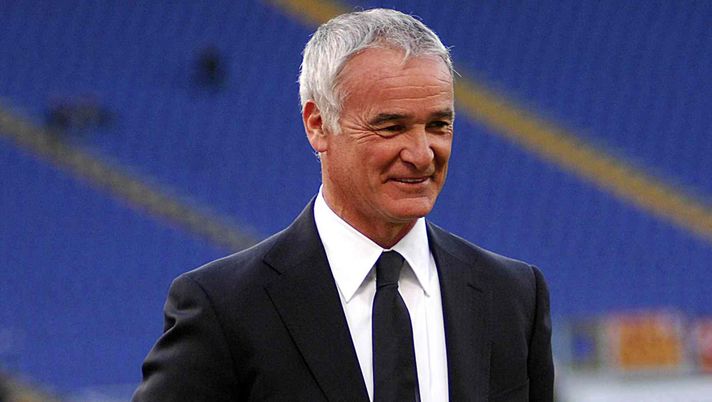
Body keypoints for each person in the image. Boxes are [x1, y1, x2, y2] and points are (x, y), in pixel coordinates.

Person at [133, 8, 553, 402]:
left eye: (438, 125)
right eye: (392, 127)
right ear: (318, 124)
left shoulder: (514, 295)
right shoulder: (225, 306)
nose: (422, 153)